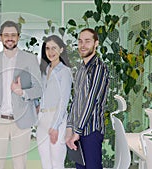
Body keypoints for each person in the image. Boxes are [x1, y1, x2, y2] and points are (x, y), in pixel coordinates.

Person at [0, 20, 42, 169]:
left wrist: (22, 92)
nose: (10, 38)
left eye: (13, 35)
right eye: (6, 35)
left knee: (20, 164)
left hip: (21, 120)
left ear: (19, 37)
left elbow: (39, 89)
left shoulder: (30, 59)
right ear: (1, 37)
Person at [65, 28, 110, 169]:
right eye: (80, 41)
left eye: (87, 41)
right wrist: (69, 128)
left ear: (96, 43)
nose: (83, 45)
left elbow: (91, 101)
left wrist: (76, 132)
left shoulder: (99, 68)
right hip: (78, 133)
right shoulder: (80, 69)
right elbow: (76, 101)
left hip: (91, 131)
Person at [36, 35, 72, 169]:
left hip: (57, 120)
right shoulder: (44, 71)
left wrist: (55, 126)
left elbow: (63, 101)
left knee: (56, 164)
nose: (50, 52)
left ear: (61, 49)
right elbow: (41, 95)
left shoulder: (65, 72)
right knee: (45, 163)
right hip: (42, 120)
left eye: (54, 48)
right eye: (48, 48)